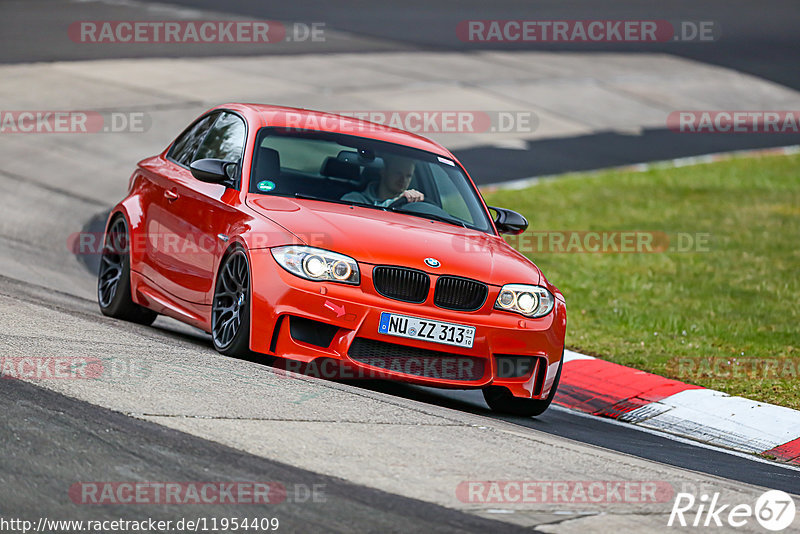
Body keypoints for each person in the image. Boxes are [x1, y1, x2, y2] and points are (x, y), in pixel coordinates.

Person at [341, 155, 424, 207]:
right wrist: (396, 202)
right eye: (398, 173)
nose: (403, 179)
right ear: (384, 171)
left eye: (408, 176)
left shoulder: (411, 206)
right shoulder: (353, 199)